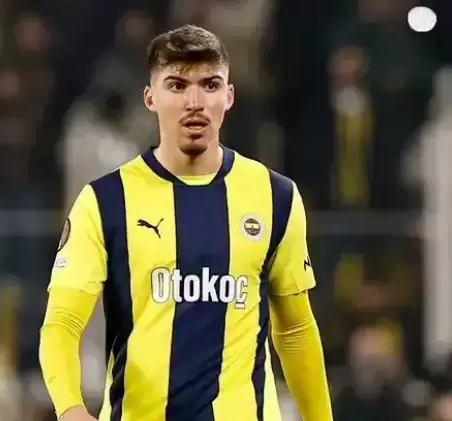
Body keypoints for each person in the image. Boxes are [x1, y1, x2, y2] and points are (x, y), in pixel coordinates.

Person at [39, 24, 333, 421]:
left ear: (229, 96)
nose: (195, 102)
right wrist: (70, 408)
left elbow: (295, 330)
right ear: (150, 97)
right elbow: (62, 322)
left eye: (209, 85)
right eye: (177, 86)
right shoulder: (105, 201)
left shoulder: (275, 196)